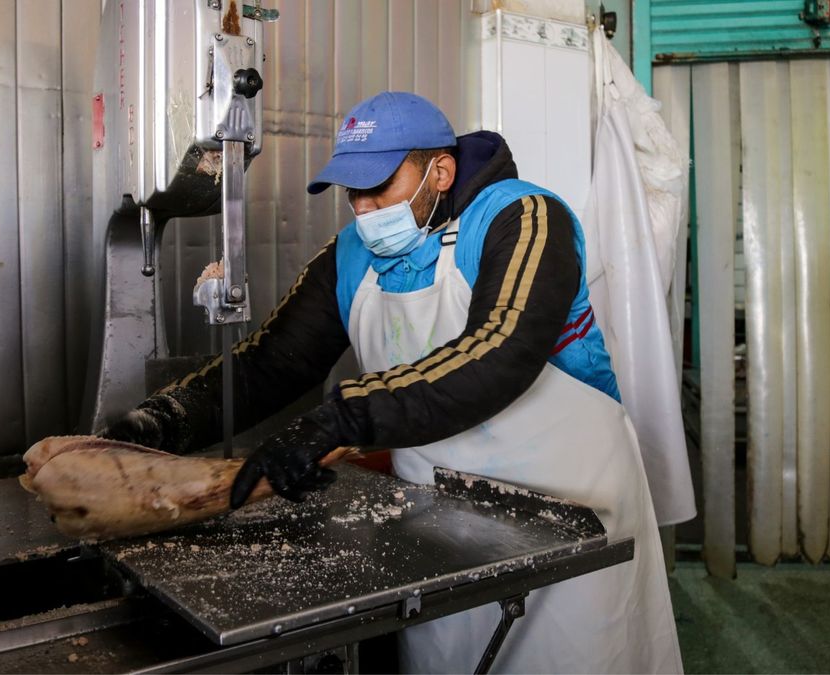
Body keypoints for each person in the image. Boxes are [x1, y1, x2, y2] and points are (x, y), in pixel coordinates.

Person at [103, 91, 682, 673]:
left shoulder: (525, 218)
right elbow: (274, 363)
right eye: (352, 191)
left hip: (567, 520)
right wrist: (168, 419)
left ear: (441, 170)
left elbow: (499, 353)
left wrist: (341, 417)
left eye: (379, 186)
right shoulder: (352, 252)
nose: (362, 207)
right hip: (438, 527)